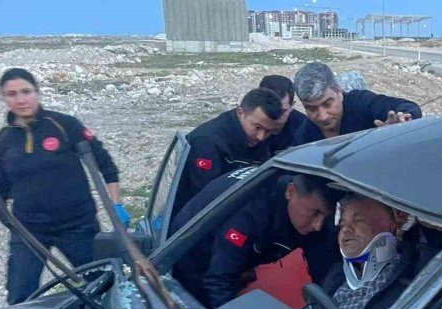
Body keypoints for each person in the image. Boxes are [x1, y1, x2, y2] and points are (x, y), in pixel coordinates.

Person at [0, 67, 129, 305]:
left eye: (26, 91)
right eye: (12, 94)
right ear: (3, 98)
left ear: (37, 92)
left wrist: (116, 203)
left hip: (77, 225)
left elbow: (105, 163)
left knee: (102, 287)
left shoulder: (64, 125)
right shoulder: (5, 138)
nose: (20, 99)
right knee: (20, 295)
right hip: (28, 228)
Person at [170, 173, 342, 309]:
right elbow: (219, 280)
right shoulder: (251, 214)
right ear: (290, 192)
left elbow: (323, 265)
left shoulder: (307, 206)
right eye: (314, 214)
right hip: (189, 259)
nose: (318, 225)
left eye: (325, 216)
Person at [172, 87, 285, 217]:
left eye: (268, 131)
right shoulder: (207, 142)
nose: (261, 136)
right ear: (240, 113)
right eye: (257, 127)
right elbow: (206, 198)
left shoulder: (259, 139)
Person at [291, 62, 422, 145]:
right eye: (312, 109)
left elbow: (410, 107)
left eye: (327, 104)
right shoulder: (304, 135)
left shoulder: (361, 103)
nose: (323, 116)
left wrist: (401, 121)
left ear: (339, 91)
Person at [257, 74, 309, 155]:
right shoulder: (245, 124)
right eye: (270, 109)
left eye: (282, 111)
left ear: (291, 105)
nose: (275, 116)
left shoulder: (305, 128)